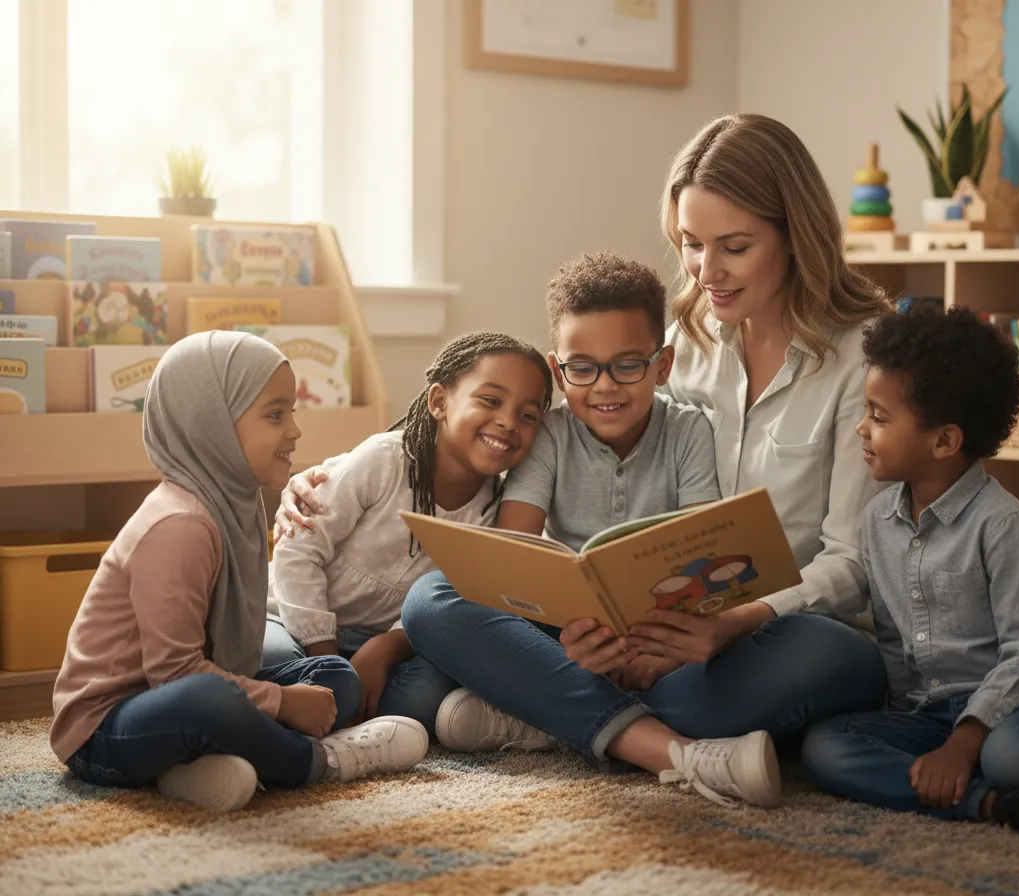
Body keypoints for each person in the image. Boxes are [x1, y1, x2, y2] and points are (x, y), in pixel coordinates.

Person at [282, 115, 890, 809]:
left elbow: (850, 562)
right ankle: (660, 743)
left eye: (735, 247)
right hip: (648, 622)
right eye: (690, 245)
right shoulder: (681, 343)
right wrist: (332, 474)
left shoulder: (861, 358)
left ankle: (550, 706)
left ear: (794, 234)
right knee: (433, 599)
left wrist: (728, 625)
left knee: (817, 667)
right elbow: (522, 431)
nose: (706, 272)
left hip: (776, 629)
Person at [801, 306, 1019, 847]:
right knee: (825, 746)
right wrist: (917, 732)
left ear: (944, 442)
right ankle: (993, 803)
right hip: (933, 711)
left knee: (1014, 753)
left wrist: (963, 744)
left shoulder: (1005, 526)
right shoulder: (876, 520)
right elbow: (894, 641)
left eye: (879, 416)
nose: (860, 428)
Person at [50, 331, 427, 814]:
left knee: (335, 675)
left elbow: (222, 665)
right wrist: (282, 703)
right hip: (106, 729)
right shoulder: (180, 526)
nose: (294, 430)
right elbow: (174, 676)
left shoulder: (234, 502)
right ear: (211, 425)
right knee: (210, 700)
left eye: (292, 411)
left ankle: (193, 768)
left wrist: (286, 695)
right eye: (275, 414)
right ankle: (318, 761)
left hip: (191, 696)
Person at [265, 332, 553, 735]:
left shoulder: (497, 514)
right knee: (264, 656)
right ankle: (325, 721)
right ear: (439, 402)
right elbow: (298, 553)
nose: (508, 421)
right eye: (490, 400)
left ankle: (335, 722)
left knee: (424, 697)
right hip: (291, 622)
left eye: (528, 415)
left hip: (381, 646)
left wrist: (384, 648)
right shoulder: (383, 460)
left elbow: (453, 603)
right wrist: (326, 657)